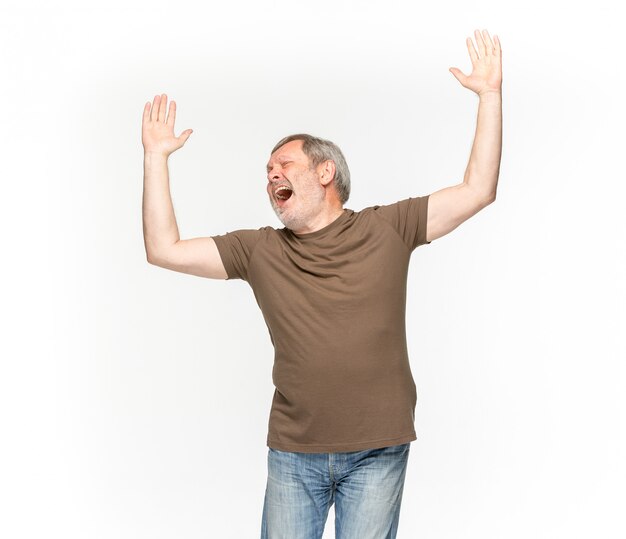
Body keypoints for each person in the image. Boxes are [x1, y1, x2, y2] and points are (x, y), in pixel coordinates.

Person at [141, 28, 502, 539]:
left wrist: (489, 95)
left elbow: (478, 189)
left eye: (284, 164)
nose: (271, 176)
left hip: (379, 449)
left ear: (326, 171)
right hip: (294, 455)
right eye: (267, 170)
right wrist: (155, 158)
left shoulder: (389, 227)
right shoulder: (259, 249)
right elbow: (164, 249)